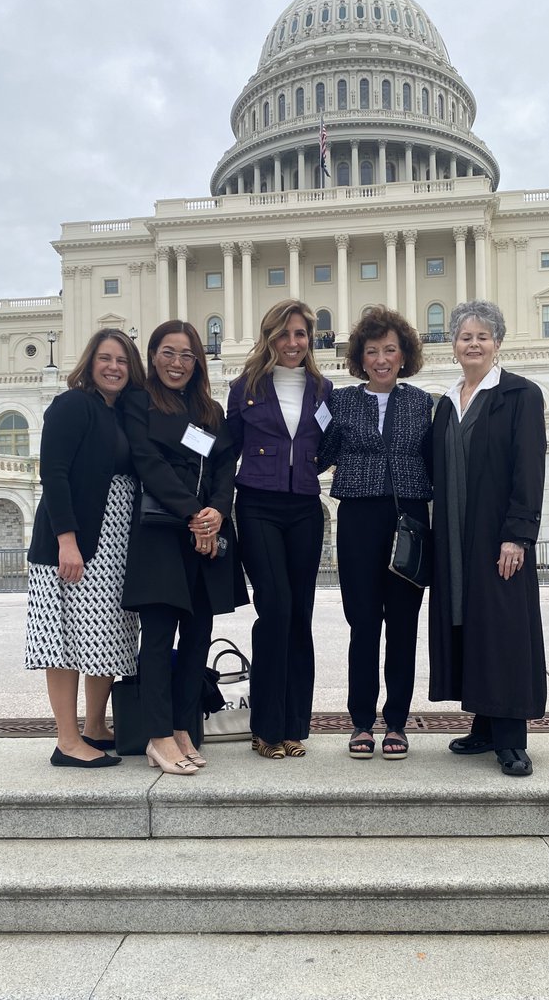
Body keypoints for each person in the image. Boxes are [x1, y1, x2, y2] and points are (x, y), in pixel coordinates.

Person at [428, 300, 547, 777]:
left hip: (498, 536)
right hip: (455, 536)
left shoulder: (520, 394)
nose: (473, 344)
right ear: (453, 345)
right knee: (467, 623)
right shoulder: (446, 402)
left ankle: (512, 738)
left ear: (497, 343)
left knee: (503, 629)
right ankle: (483, 724)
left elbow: (529, 468)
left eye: (482, 336)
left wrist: (517, 535)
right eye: (464, 337)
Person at [122, 320, 246, 775]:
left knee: (197, 639)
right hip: (161, 532)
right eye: (168, 353)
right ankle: (157, 735)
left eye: (187, 355)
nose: (177, 363)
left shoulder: (210, 410)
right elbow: (147, 462)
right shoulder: (140, 403)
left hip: (205, 538)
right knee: (157, 639)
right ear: (153, 356)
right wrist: (194, 513)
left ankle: (182, 728)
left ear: (198, 361)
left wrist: (216, 512)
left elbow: (224, 466)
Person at [25, 328, 147, 768]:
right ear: (90, 362)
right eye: (105, 358)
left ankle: (96, 726)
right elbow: (53, 473)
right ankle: (67, 740)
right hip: (74, 539)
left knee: (106, 634)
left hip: (114, 540)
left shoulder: (123, 413)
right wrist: (67, 541)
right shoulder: (72, 404)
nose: (114, 367)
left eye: (122, 360)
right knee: (64, 640)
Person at [318, 306, 432, 759]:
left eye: (390, 349)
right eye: (372, 351)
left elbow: (437, 464)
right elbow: (318, 454)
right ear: (360, 358)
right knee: (363, 625)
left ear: (404, 355)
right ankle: (361, 721)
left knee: (403, 627)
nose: (382, 358)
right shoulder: (340, 402)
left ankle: (398, 723)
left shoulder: (423, 403)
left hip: (409, 521)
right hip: (360, 520)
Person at [226, 299, 333, 759]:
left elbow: (328, 446)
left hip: (304, 509)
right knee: (276, 609)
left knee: (300, 614)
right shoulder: (244, 386)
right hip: (257, 506)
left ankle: (294, 726)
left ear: (309, 339)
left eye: (300, 334)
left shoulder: (322, 388)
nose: (293, 343)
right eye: (284, 334)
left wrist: (307, 468)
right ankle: (264, 726)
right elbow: (226, 448)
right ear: (269, 338)